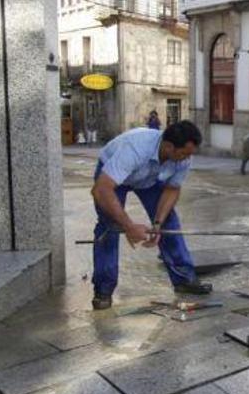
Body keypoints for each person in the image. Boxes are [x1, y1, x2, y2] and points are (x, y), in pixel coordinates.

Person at [89, 121, 209, 310]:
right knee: (109, 227)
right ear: (169, 146)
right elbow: (101, 190)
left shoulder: (183, 157)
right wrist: (128, 225)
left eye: (189, 154)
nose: (187, 159)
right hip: (113, 177)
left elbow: (172, 189)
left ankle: (184, 279)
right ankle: (103, 290)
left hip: (149, 179)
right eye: (184, 153)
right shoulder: (135, 148)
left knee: (169, 222)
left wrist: (158, 223)